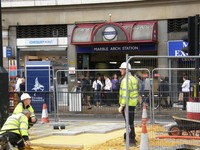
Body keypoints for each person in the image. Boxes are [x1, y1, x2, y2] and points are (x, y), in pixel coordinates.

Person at [118, 62, 138, 146]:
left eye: (122, 69)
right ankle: (131, 137)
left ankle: (130, 140)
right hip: (132, 103)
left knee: (128, 122)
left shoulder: (126, 80)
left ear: (126, 70)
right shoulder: (133, 78)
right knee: (130, 121)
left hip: (127, 104)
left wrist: (122, 105)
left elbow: (125, 94)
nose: (120, 70)